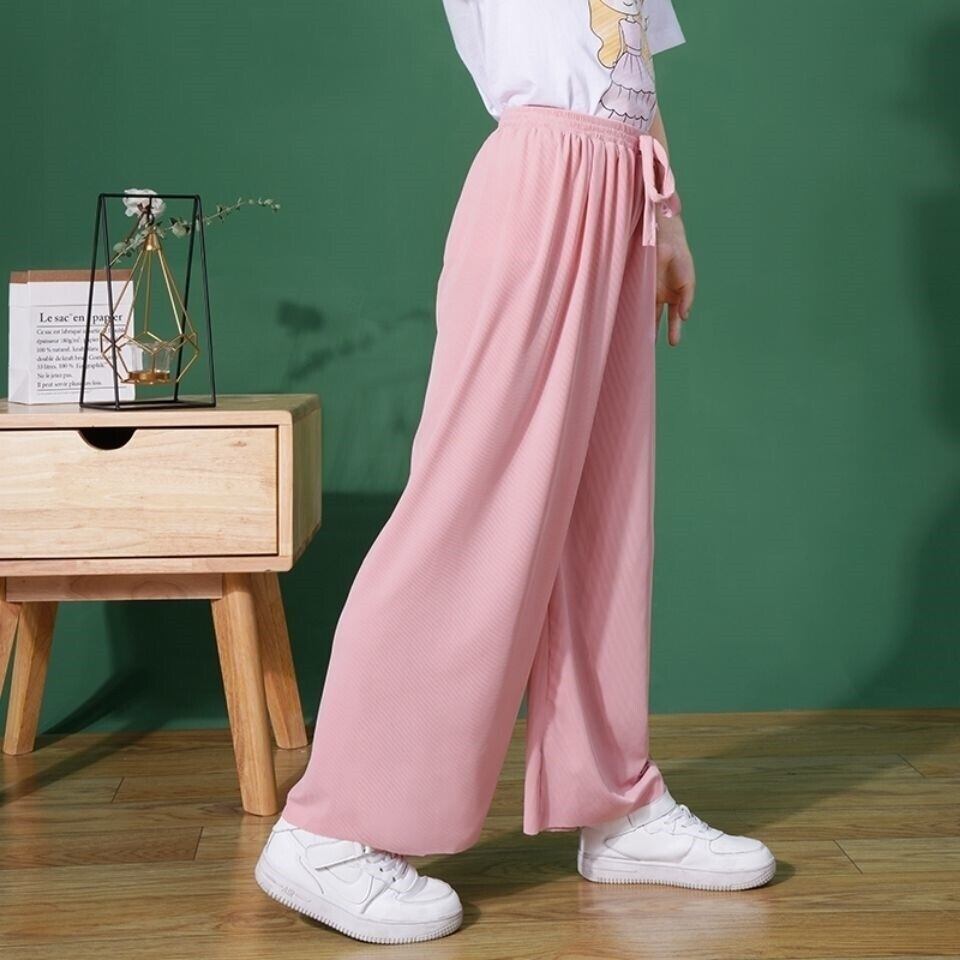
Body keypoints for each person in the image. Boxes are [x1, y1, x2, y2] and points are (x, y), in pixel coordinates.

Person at [254, 0, 776, 945]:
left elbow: (634, 70)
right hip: (539, 178)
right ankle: (330, 826)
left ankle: (613, 799)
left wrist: (669, 221)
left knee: (602, 515)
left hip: (625, 192)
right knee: (471, 504)